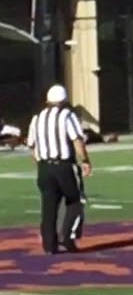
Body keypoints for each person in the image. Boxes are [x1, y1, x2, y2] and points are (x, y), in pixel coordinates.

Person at [27, 85, 92, 255]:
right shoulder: (67, 115)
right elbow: (77, 140)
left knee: (48, 207)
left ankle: (49, 246)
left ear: (48, 100)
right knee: (76, 200)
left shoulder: (37, 118)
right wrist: (85, 160)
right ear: (64, 100)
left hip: (44, 168)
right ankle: (67, 236)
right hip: (64, 166)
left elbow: (31, 145)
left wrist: (41, 162)